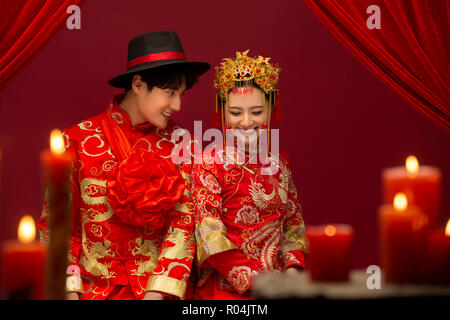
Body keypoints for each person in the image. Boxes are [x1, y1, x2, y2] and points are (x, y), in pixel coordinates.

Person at [38, 31, 210, 300]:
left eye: (182, 94)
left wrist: (159, 291)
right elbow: (56, 226)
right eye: (170, 93)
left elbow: (185, 224)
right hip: (93, 291)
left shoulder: (183, 144)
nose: (177, 105)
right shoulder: (77, 139)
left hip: (159, 292)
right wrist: (69, 290)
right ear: (139, 84)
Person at [191, 50, 308, 299]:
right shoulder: (209, 163)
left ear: (271, 109)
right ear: (222, 112)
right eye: (236, 113)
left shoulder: (279, 161)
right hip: (226, 290)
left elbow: (293, 226)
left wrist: (292, 275)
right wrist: (258, 285)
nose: (246, 122)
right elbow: (210, 235)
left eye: (256, 112)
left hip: (280, 287)